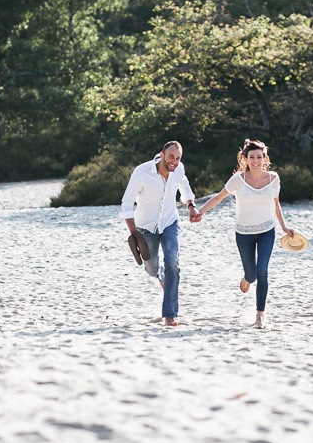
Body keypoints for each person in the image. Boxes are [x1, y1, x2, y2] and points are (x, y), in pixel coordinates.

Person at [191, 139, 295, 329]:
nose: (255, 161)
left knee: (262, 271)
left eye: (259, 157)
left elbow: (276, 204)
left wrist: (285, 227)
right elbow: (218, 197)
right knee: (252, 275)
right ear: (245, 159)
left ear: (265, 158)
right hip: (244, 233)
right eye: (251, 157)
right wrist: (200, 212)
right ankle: (247, 278)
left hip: (267, 231)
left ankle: (260, 315)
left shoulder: (273, 178)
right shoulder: (238, 179)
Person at [121, 141, 199, 326]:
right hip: (145, 227)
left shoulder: (179, 169)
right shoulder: (142, 172)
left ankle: (169, 314)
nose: (174, 161)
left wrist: (191, 206)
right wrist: (134, 233)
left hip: (169, 222)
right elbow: (126, 203)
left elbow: (184, 187)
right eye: (171, 157)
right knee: (151, 268)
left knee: (172, 263)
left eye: (178, 158)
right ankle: (160, 276)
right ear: (161, 155)